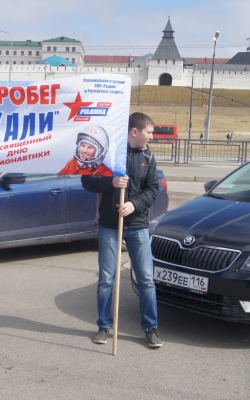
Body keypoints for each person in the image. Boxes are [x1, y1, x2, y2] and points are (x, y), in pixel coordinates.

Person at [81, 112, 162, 348]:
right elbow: (87, 180)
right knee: (106, 279)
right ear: (134, 132)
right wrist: (111, 182)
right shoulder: (108, 153)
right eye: (149, 132)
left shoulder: (148, 156)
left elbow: (153, 189)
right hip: (110, 225)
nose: (152, 137)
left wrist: (134, 204)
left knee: (146, 279)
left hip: (138, 226)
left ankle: (151, 328)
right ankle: (103, 326)